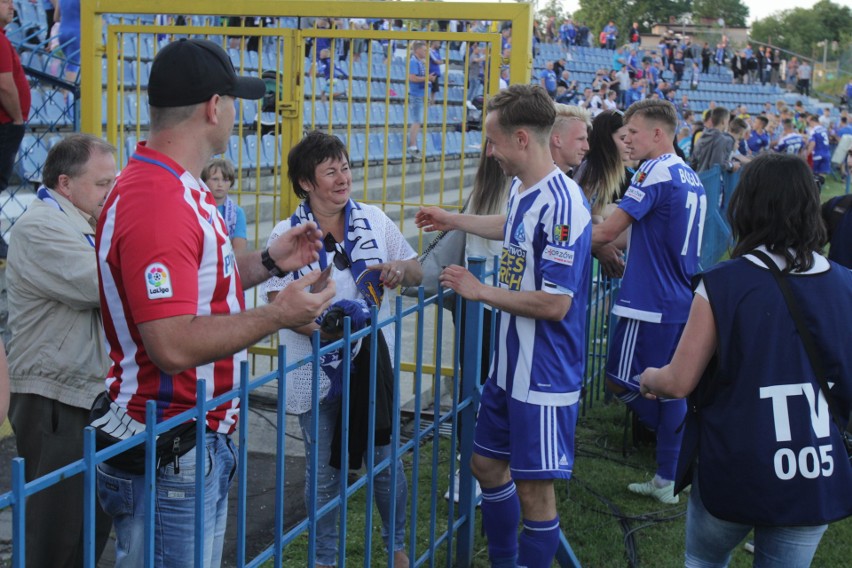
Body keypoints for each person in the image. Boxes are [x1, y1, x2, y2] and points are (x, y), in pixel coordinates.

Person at [93, 38, 335, 568]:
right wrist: (277, 314)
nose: (235, 113)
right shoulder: (158, 199)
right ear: (212, 107)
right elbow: (172, 344)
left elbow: (201, 288)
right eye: (233, 100)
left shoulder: (177, 187)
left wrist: (270, 262)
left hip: (190, 438)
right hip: (171, 443)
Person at [639, 153, 852, 566]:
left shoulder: (723, 282)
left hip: (736, 460)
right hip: (813, 464)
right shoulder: (846, 284)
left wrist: (649, 378)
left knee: (703, 559)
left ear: (746, 206)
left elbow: (678, 381)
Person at [415, 84, 592, 568]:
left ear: (520, 139)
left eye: (492, 142)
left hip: (544, 375)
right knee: (486, 466)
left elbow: (556, 304)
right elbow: (511, 223)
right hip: (510, 366)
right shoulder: (522, 189)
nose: (487, 152)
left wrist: (481, 291)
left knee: (536, 494)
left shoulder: (563, 204)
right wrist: (453, 219)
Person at [263, 131, 420, 568]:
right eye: (330, 170)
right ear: (306, 183)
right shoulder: (287, 233)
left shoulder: (372, 218)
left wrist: (398, 270)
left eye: (345, 167)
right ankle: (325, 559)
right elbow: (277, 302)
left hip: (372, 367)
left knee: (386, 461)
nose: (342, 177)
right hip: (314, 370)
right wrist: (320, 328)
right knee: (324, 476)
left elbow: (419, 270)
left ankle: (397, 550)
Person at [6, 134, 114, 568]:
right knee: (54, 538)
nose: (112, 192)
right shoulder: (41, 225)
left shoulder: (79, 221)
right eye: (103, 183)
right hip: (56, 395)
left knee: (85, 531)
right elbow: (102, 284)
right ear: (66, 184)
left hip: (81, 390)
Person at [592, 99, 706, 505]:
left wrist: (555, 240)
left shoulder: (654, 171)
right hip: (677, 296)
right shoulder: (689, 174)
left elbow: (607, 234)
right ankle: (671, 472)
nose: (626, 140)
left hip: (648, 301)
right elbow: (637, 235)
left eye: (633, 133)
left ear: (658, 133)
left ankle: (684, 457)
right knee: (669, 389)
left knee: (624, 382)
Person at [444, 148, 511, 504]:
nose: (490, 150)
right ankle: (468, 464)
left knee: (484, 386)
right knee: (477, 386)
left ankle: (485, 465)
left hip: (495, 303)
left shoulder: (522, 184)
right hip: (484, 302)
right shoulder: (493, 184)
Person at [0, 0, 31, 258]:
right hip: (5, 123)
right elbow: (4, 85)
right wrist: (17, 118)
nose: (12, 7)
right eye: (5, 1)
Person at [201, 158, 247, 254]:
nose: (220, 184)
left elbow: (239, 251)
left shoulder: (237, 213)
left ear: (231, 183)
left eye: (225, 180)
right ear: (204, 181)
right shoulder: (197, 207)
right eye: (215, 179)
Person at [407, 41, 434, 159]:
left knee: (419, 120)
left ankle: (414, 145)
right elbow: (412, 78)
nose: (426, 52)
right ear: (417, 50)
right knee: (417, 120)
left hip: (422, 94)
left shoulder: (420, 62)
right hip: (417, 95)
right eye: (424, 50)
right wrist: (427, 78)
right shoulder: (413, 61)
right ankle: (412, 146)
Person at [549, 103, 590, 176]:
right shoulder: (529, 180)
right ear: (557, 140)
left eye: (586, 139)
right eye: (580, 139)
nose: (586, 147)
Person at [691, 106, 734, 172]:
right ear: (723, 121)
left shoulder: (702, 136)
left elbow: (693, 162)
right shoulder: (721, 139)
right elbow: (717, 166)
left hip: (699, 178)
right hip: (711, 180)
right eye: (728, 121)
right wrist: (731, 165)